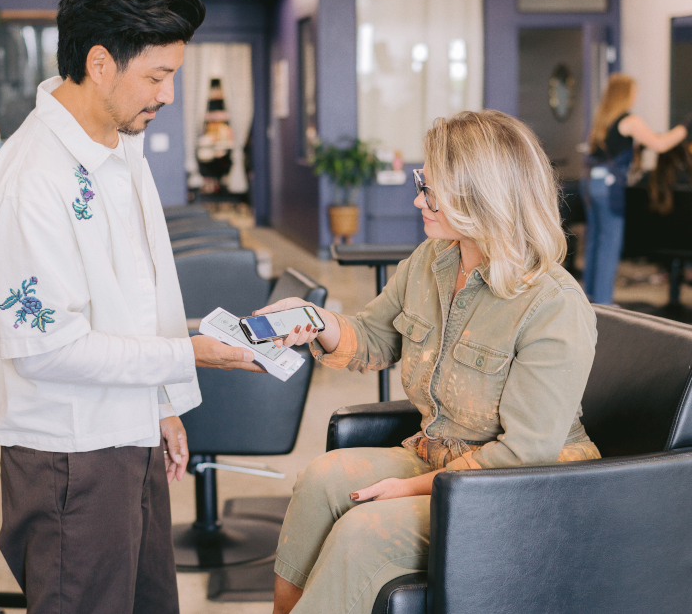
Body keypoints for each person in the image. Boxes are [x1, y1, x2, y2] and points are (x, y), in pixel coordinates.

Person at [0, 0, 262, 614]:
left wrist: (161, 400)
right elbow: (47, 348)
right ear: (100, 63)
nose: (166, 95)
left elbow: (135, 286)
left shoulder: (117, 145)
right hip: (69, 453)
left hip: (127, 427)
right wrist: (191, 353)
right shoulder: (31, 180)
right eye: (156, 76)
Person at [257, 110, 603, 614]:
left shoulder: (552, 305)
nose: (418, 198)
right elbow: (374, 336)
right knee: (320, 481)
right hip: (439, 458)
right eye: (425, 183)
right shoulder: (431, 260)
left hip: (524, 491)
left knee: (363, 529)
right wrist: (318, 319)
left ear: (481, 197)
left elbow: (525, 455)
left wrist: (409, 488)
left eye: (431, 189)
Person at [582, 74, 689, 304]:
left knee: (594, 242)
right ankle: (603, 304)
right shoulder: (629, 120)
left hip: (591, 183)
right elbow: (661, 144)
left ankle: (589, 299)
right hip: (609, 188)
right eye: (634, 92)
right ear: (625, 94)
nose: (635, 96)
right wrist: (685, 126)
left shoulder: (602, 120)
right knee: (609, 244)